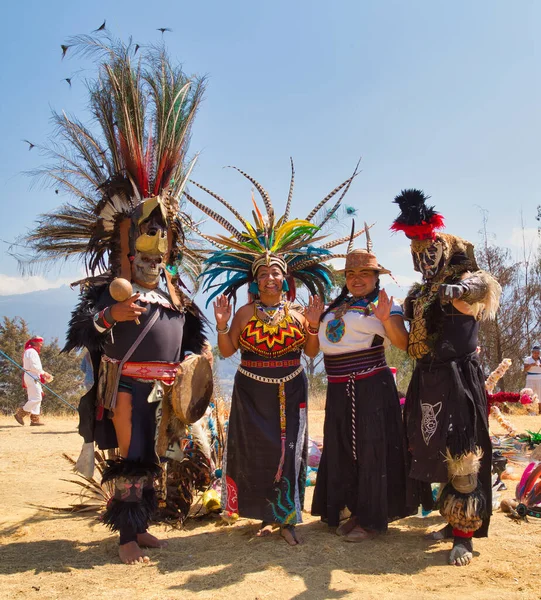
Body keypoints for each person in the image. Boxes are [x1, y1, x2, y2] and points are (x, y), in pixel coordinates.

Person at [22, 36, 208, 565]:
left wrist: (194, 363)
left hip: (166, 390)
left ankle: (142, 526)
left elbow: (191, 335)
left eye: (160, 234)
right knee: (129, 458)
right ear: (123, 240)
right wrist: (111, 314)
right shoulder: (109, 287)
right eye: (142, 235)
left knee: (151, 458)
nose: (152, 246)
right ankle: (126, 537)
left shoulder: (174, 289)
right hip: (127, 385)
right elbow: (82, 332)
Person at [184, 161, 361, 545]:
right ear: (255, 280)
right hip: (251, 392)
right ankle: (259, 514)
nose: (269, 277)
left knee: (290, 450)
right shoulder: (245, 312)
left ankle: (287, 519)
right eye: (263, 273)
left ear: (286, 280)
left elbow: (311, 351)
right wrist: (221, 323)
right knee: (255, 452)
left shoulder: (298, 313)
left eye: (276, 272)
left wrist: (313, 325)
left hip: (292, 389)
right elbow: (228, 350)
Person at [391, 189, 501, 566]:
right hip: (427, 375)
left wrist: (459, 289)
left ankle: (464, 535)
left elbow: (482, 289)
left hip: (459, 378)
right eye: (415, 247)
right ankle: (449, 520)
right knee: (432, 447)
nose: (422, 253)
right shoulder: (419, 294)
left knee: (463, 452)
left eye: (428, 245)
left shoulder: (468, 279)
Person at [311, 238, 414, 541]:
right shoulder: (334, 308)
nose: (357, 280)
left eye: (364, 275)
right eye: (351, 275)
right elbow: (313, 350)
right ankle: (354, 510)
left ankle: (370, 520)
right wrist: (312, 324)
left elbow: (403, 344)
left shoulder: (386, 306)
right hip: (338, 388)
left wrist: (386, 319)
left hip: (370, 387)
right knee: (344, 450)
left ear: (376, 278)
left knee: (370, 451)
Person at [14, 336, 53, 426]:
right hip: (32, 375)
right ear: (35, 342)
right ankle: (20, 414)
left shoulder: (31, 351)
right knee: (36, 398)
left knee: (36, 397)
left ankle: (35, 419)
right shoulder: (31, 352)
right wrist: (44, 373)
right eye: (40, 342)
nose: (41, 344)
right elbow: (34, 366)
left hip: (32, 375)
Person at [523, 344, 541, 410]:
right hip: (530, 377)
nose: (536, 354)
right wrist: (531, 365)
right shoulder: (527, 359)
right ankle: (529, 409)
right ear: (532, 352)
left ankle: (540, 410)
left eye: (538, 353)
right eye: (535, 352)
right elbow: (525, 369)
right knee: (528, 393)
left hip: (539, 377)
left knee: (540, 393)